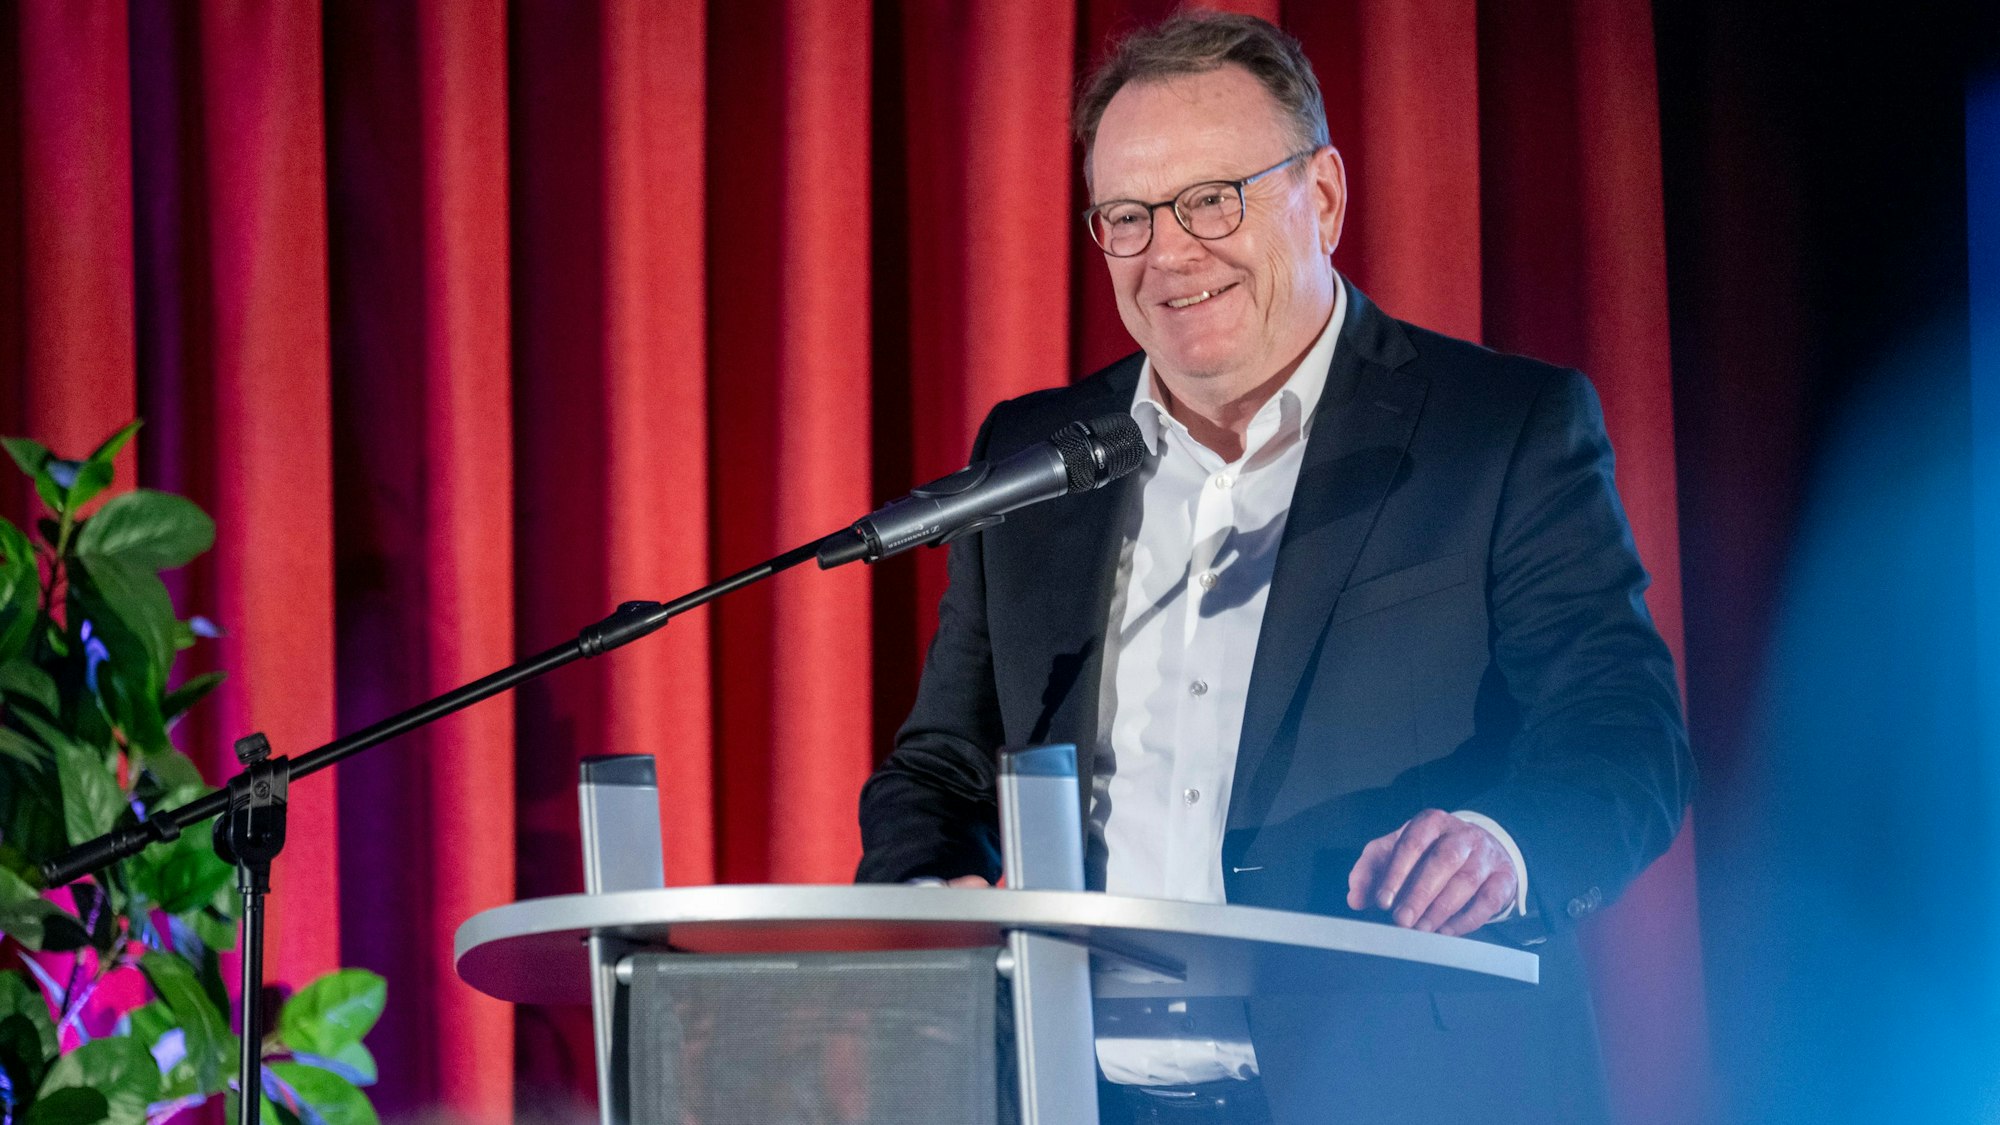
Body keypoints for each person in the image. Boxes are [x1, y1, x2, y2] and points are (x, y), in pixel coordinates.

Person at [855, 13, 1693, 1124]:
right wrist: (929, 895)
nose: (1169, 254)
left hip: (1399, 1088)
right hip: (1074, 1095)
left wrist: (1505, 844)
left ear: (1324, 198)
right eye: (1126, 217)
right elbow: (942, 767)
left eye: (1212, 199)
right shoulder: (1037, 452)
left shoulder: (1499, 429)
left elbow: (1621, 731)